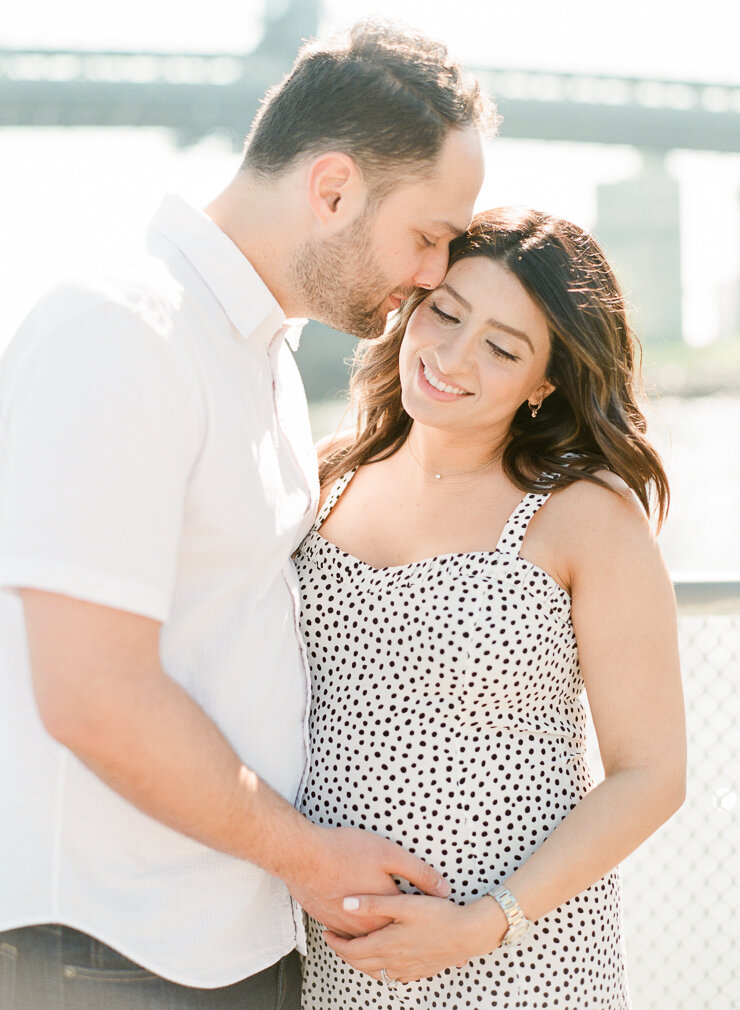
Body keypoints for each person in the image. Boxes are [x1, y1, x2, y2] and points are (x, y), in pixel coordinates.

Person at [0, 20, 495, 1010]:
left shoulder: (259, 358)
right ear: (332, 190)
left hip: (231, 943)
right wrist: (309, 855)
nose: (434, 272)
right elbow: (92, 691)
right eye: (429, 235)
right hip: (108, 952)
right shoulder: (122, 330)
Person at [295, 207, 687, 1009]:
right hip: (341, 955)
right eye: (446, 313)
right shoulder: (326, 476)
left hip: (521, 958)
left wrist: (483, 924)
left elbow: (651, 774)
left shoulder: (584, 515)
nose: (451, 356)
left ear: (546, 382)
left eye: (502, 348)